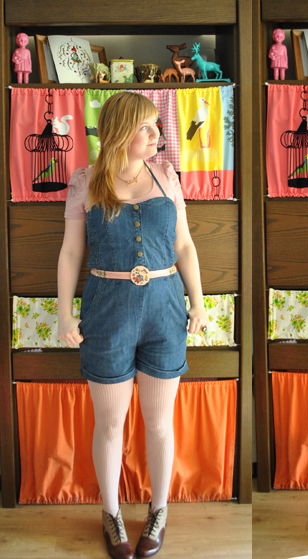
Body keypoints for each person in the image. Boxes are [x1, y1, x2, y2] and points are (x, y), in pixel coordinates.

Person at [58, 91, 208, 559]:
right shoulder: (85, 181)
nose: (156, 135)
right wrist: (64, 312)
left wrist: (198, 303)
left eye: (156, 126)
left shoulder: (166, 175)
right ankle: (112, 513)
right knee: (110, 424)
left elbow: (184, 245)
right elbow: (71, 252)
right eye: (145, 127)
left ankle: (158, 510)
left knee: (159, 423)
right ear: (120, 132)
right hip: (107, 312)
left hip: (165, 310)